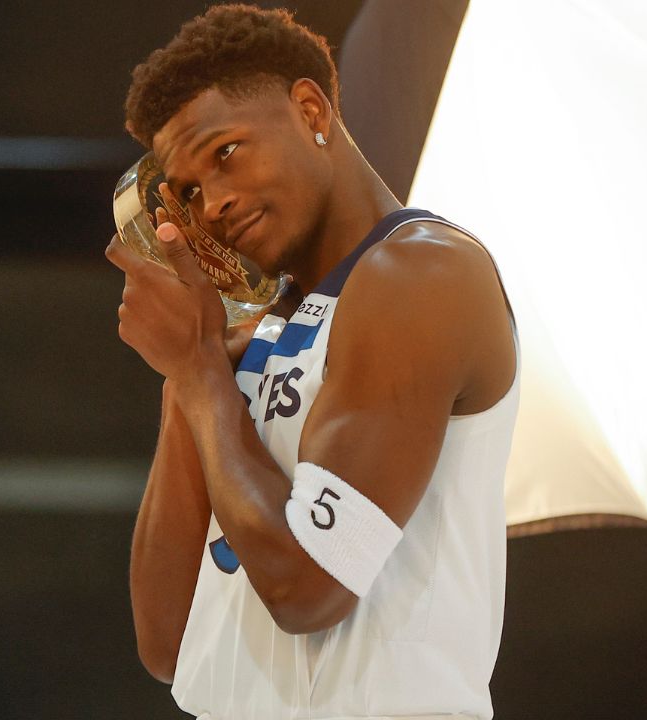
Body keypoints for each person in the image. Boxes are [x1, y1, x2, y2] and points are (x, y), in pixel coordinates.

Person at [105, 5, 519, 719]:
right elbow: (169, 642)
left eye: (226, 153)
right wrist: (187, 372)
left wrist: (201, 374)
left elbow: (308, 588)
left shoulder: (421, 275)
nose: (216, 204)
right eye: (192, 192)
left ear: (309, 109)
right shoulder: (251, 336)